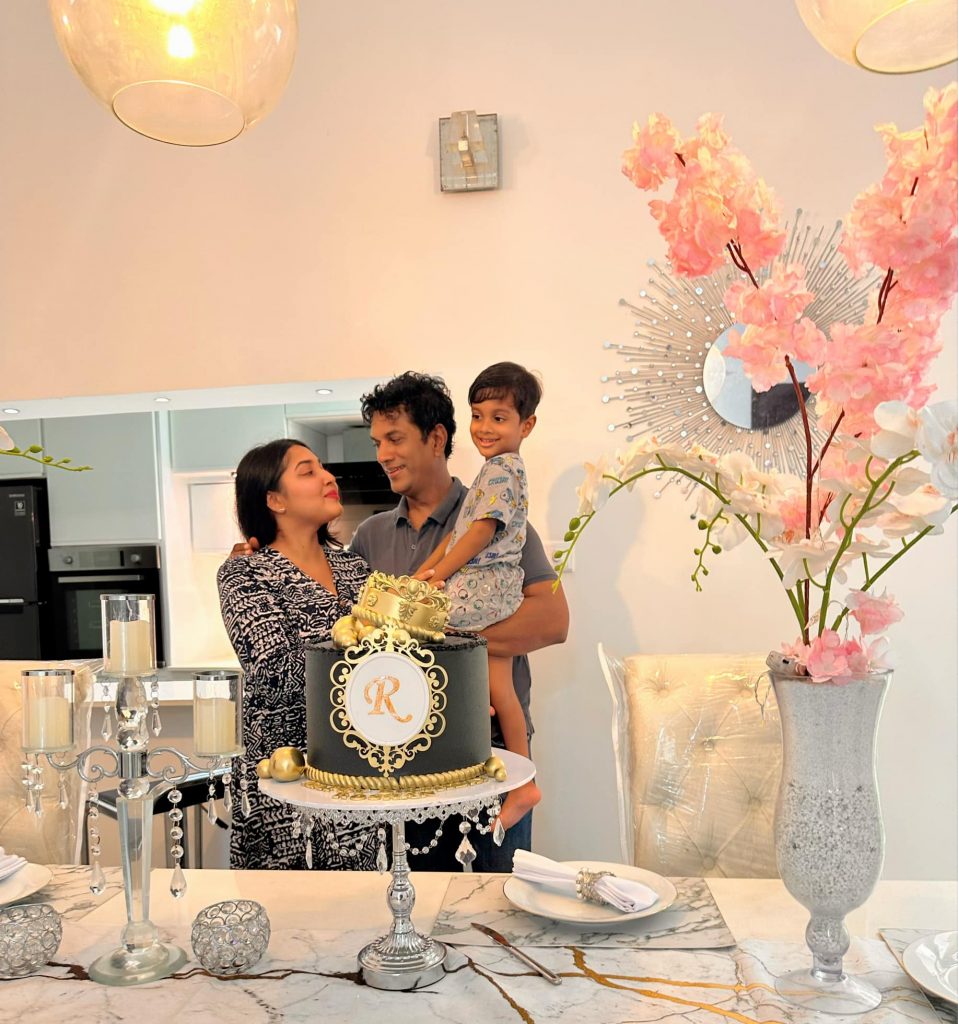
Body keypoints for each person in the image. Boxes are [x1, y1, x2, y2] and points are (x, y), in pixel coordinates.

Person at [352, 371, 568, 871]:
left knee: (493, 907)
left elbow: (553, 620)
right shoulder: (370, 535)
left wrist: (448, 640)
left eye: (395, 438)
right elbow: (352, 628)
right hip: (398, 759)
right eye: (377, 442)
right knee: (407, 907)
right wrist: (258, 552)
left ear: (436, 438)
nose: (383, 454)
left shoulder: (497, 517)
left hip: (488, 755)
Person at [217, 439, 374, 870]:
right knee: (289, 905)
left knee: (365, 900)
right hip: (282, 779)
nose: (328, 477)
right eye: (307, 471)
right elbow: (274, 674)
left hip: (358, 770)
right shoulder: (244, 572)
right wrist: (367, 646)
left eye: (323, 467)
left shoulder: (355, 569)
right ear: (274, 500)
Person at [413, 363, 542, 831]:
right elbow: (457, 535)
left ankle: (457, 713)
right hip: (487, 584)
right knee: (500, 687)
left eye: (499, 418)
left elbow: (481, 532)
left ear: (527, 425)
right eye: (477, 415)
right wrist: (430, 571)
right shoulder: (493, 470)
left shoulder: (503, 470)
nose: (484, 427)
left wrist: (438, 577)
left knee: (420, 627)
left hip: (486, 584)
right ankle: (524, 786)